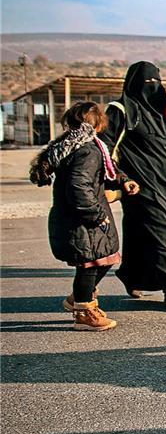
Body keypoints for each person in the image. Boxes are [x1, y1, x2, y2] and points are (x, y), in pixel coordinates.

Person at [29, 101, 139, 331]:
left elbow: (106, 169)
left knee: (103, 258)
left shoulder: (76, 144)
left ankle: (80, 296)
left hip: (75, 217)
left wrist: (122, 180)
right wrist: (96, 215)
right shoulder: (87, 149)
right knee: (90, 263)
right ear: (98, 124)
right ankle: (84, 310)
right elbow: (79, 185)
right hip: (83, 220)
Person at [103, 62, 166, 312]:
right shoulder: (120, 110)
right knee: (165, 238)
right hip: (141, 188)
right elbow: (104, 147)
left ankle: (134, 277)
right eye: (147, 83)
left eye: (157, 82)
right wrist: (122, 178)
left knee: (142, 237)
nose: (153, 88)